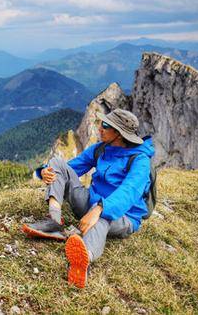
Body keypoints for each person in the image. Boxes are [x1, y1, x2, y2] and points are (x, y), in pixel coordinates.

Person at [22, 109, 154, 288]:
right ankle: (54, 219)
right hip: (90, 203)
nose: (99, 128)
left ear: (120, 134)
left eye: (106, 126)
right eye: (101, 123)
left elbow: (128, 193)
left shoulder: (140, 161)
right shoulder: (100, 149)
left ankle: (84, 259)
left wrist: (99, 209)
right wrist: (42, 172)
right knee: (56, 164)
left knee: (102, 219)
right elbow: (68, 169)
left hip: (123, 217)